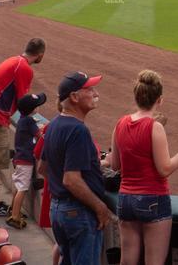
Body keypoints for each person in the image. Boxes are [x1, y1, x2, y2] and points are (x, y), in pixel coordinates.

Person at [109, 71, 178, 265]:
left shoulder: (120, 123)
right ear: (159, 100)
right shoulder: (154, 127)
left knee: (127, 260)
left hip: (125, 199)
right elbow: (164, 169)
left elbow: (115, 165)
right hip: (153, 198)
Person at [44, 72, 112, 265]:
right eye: (89, 89)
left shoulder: (54, 124)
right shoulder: (77, 130)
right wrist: (100, 207)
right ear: (74, 97)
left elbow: (43, 167)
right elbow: (71, 179)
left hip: (58, 210)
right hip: (78, 213)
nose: (95, 93)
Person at [0, 38, 45, 216]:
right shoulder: (24, 68)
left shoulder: (15, 60)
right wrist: (34, 124)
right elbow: (24, 103)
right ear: (40, 55)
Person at [7, 93, 46, 230]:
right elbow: (40, 135)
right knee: (22, 188)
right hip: (25, 160)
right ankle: (15, 217)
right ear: (33, 109)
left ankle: (13, 211)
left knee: (19, 187)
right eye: (37, 106)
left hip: (20, 158)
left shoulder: (23, 119)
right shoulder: (29, 121)